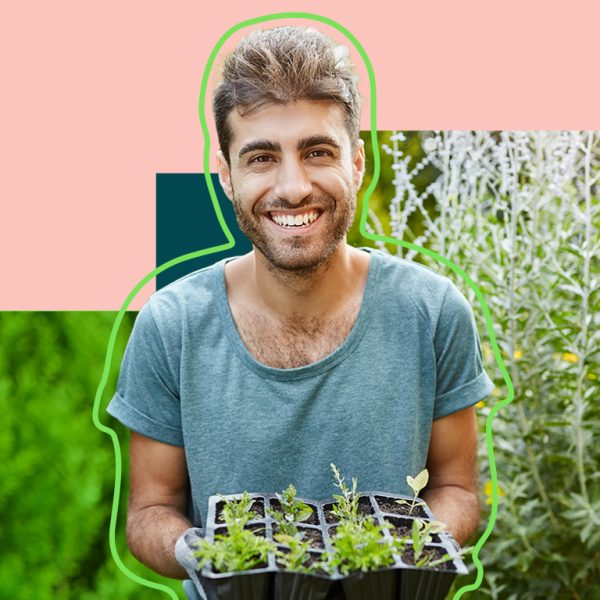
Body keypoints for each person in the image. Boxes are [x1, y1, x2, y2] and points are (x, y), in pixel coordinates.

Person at [107, 26, 494, 598]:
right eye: (261, 157)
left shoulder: (431, 312)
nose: (293, 187)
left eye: (317, 152)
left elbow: (459, 489)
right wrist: (206, 553)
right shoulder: (173, 325)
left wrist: (401, 553)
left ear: (358, 163)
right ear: (226, 176)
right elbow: (150, 510)